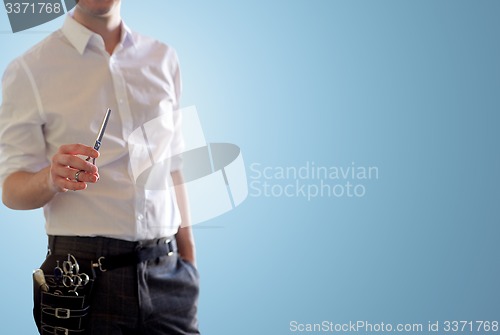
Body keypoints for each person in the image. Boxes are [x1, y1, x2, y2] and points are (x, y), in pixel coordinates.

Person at [0, 0, 200, 334]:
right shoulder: (28, 70)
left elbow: (175, 165)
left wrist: (189, 258)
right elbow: (10, 190)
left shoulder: (165, 57)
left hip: (170, 276)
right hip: (81, 279)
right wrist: (51, 178)